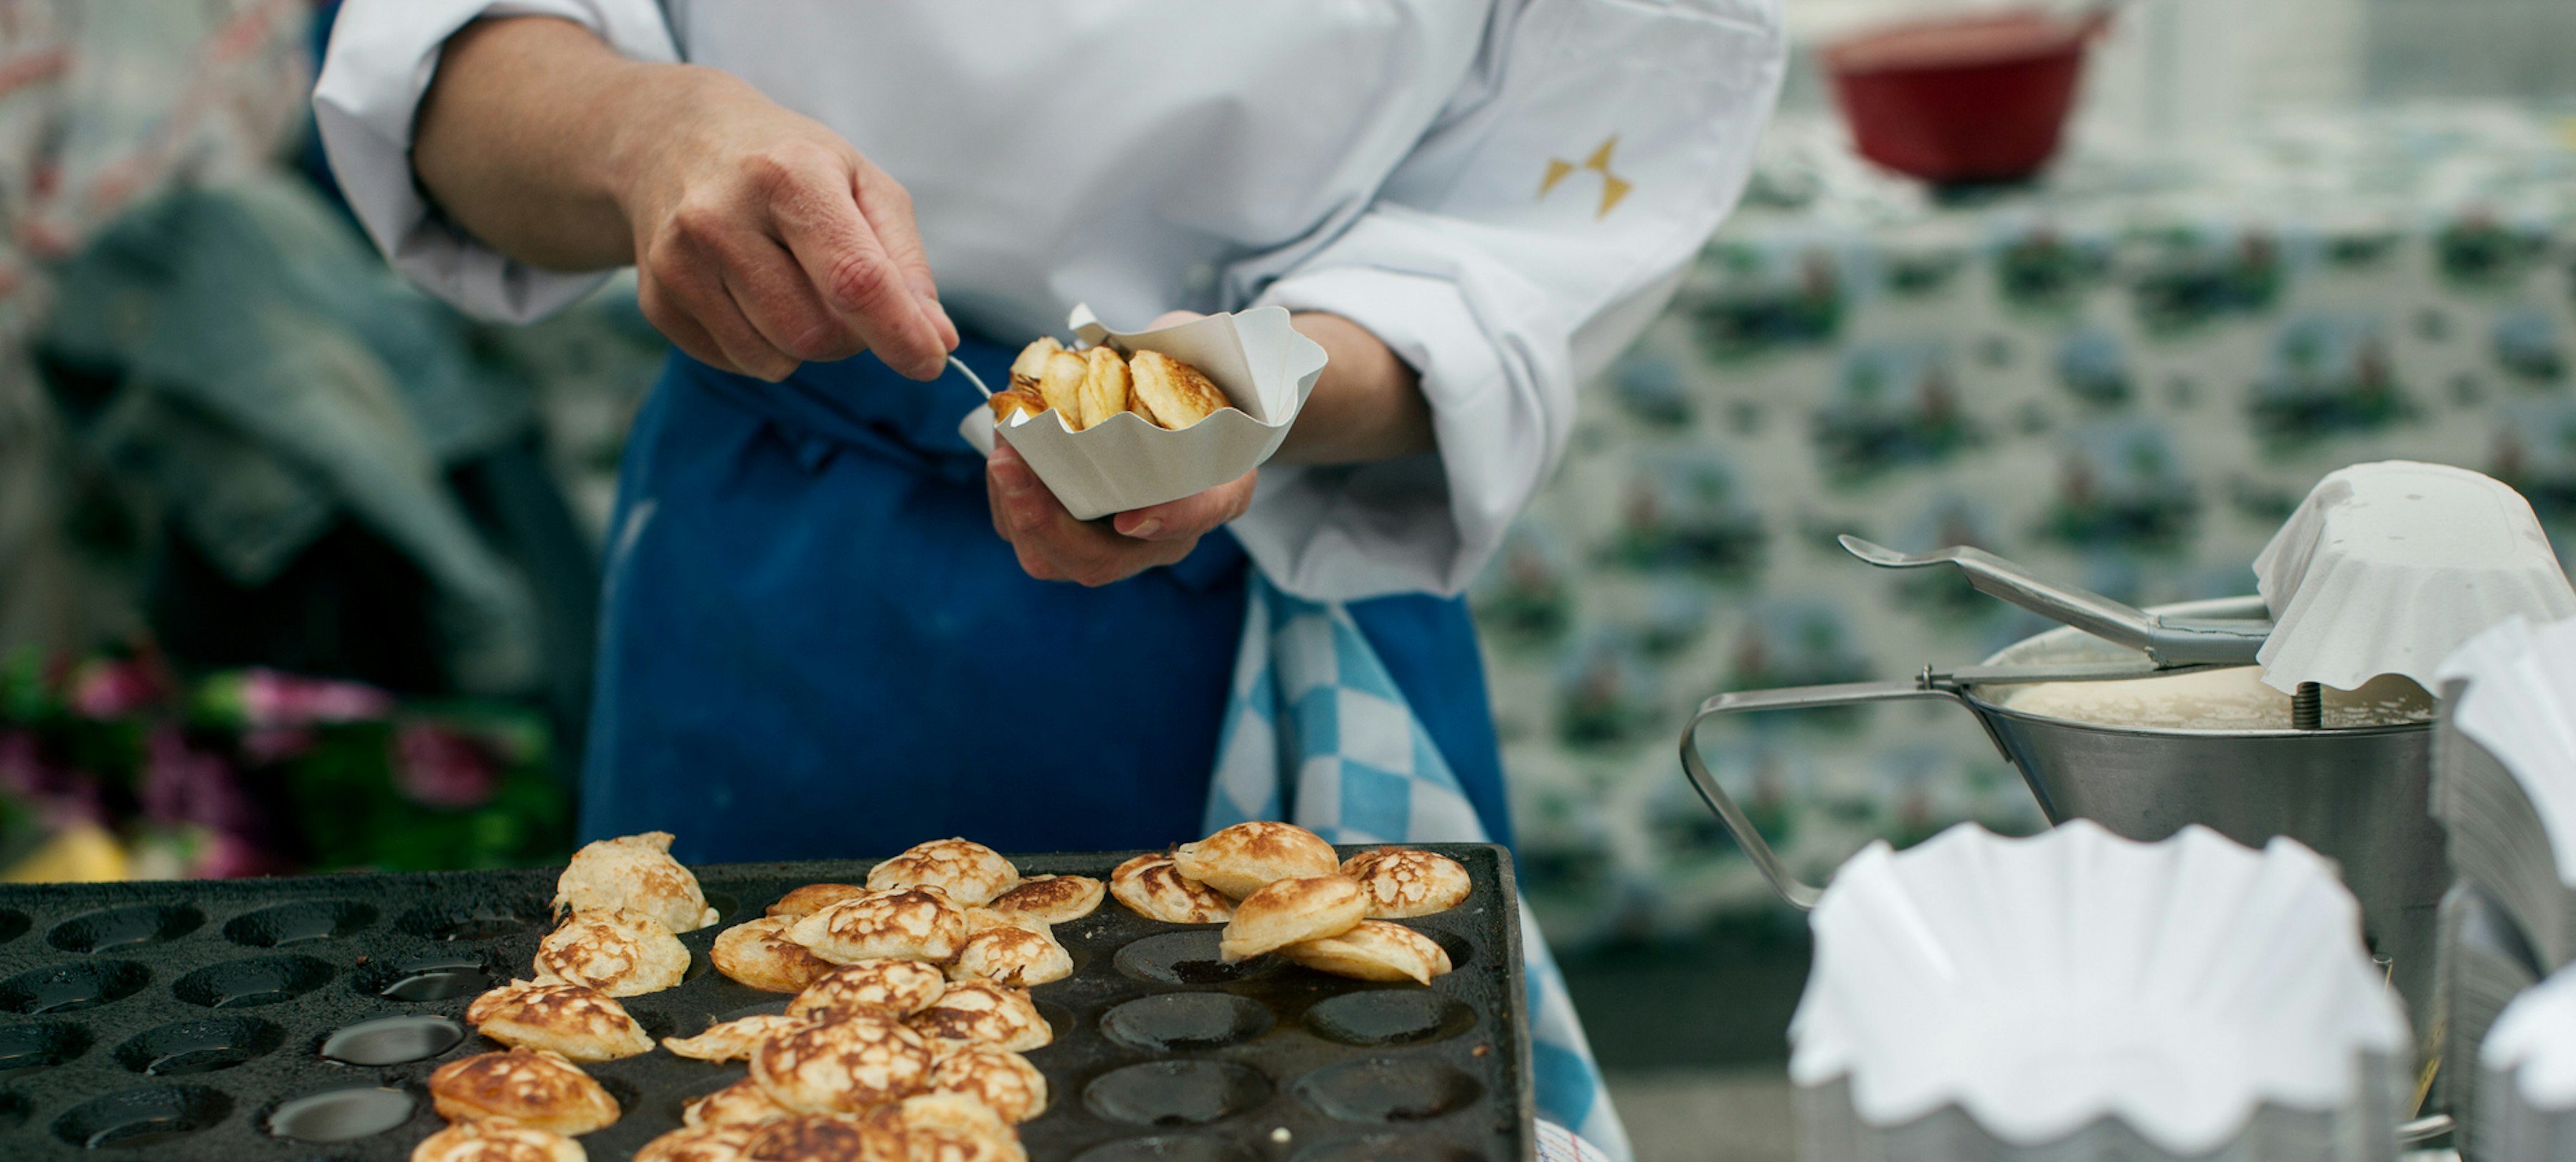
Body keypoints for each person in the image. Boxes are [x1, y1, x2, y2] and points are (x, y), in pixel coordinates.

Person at [312, 2, 1781, 865]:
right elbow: (442, 50)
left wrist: (1231, 396)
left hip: (1272, 578)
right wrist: (651, 137)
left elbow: (1531, 228)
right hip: (786, 578)